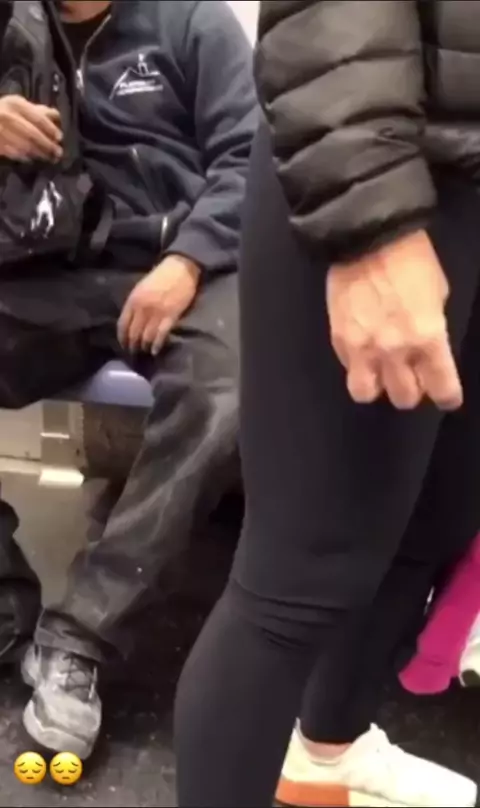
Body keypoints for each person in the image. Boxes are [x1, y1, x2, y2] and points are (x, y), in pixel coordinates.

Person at [174, 2, 480, 806]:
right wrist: (366, 220)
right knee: (296, 581)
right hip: (392, 158)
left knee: (437, 521)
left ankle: (326, 754)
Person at [0, 0, 256, 758]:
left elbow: (253, 156)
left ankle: (81, 636)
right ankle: (6, 610)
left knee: (226, 387)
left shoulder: (192, 20)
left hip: (185, 270)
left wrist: (190, 259)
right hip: (56, 269)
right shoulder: (13, 23)